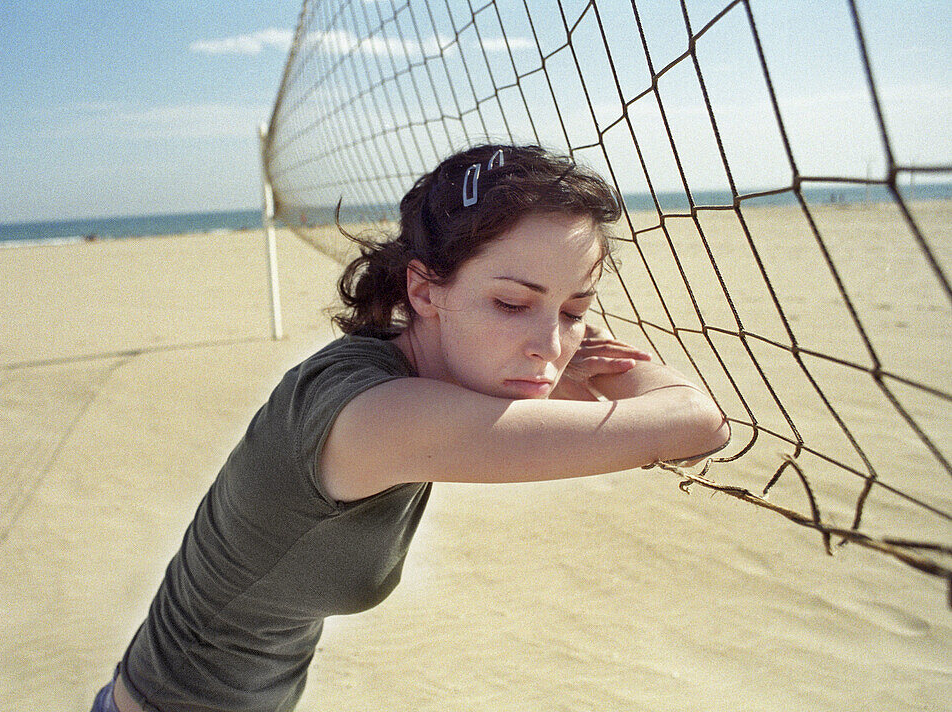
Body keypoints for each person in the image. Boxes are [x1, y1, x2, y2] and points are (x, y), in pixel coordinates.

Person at [92, 144, 730, 712]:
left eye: (575, 309)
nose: (549, 344)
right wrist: (582, 349)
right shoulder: (383, 418)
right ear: (423, 292)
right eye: (511, 302)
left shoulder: (399, 363)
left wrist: (546, 337)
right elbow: (698, 422)